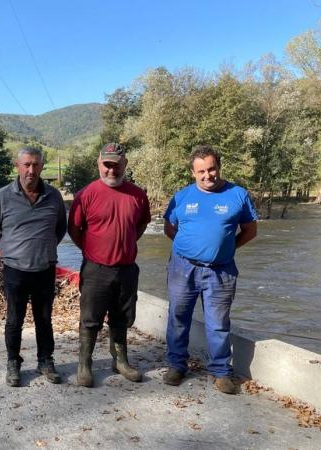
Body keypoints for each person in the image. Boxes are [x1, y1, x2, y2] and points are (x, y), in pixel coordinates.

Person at [162, 144, 258, 394]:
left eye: (211, 169)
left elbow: (250, 231)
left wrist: (226, 249)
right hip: (183, 269)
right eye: (201, 171)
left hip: (221, 271)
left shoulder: (238, 194)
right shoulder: (182, 197)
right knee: (178, 318)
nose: (207, 176)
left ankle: (220, 371)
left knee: (217, 324)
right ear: (193, 172)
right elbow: (169, 228)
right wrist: (190, 248)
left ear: (219, 167)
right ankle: (176, 365)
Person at [0, 146, 67, 387]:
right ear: (17, 166)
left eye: (36, 164)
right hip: (15, 270)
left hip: (45, 269)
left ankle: (45, 361)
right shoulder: (2, 196)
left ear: (41, 166)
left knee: (44, 319)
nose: (31, 170)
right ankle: (13, 363)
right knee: (14, 320)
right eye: (26, 164)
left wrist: (44, 248)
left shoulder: (54, 196)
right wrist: (12, 251)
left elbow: (60, 228)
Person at [68, 143, 151, 387]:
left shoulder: (138, 195)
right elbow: (74, 229)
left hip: (126, 269)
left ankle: (120, 360)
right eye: (107, 165)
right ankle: (85, 364)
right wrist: (92, 249)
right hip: (96, 269)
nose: (111, 170)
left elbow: (141, 226)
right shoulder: (86, 194)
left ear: (125, 164)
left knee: (122, 317)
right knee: (90, 318)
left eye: (116, 165)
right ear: (99, 164)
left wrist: (125, 244)